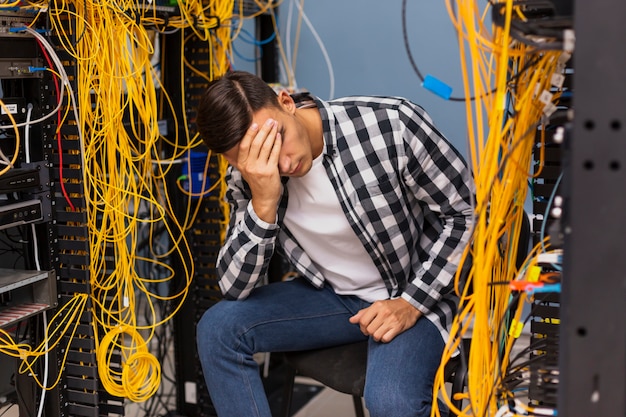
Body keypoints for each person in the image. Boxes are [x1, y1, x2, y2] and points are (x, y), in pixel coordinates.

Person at [195, 70, 474, 417]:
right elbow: (233, 287)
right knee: (217, 329)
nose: (281, 163)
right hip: (334, 299)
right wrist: (263, 202)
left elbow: (467, 214)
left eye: (277, 138)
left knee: (392, 403)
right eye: (257, 158)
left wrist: (410, 303)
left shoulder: (390, 126)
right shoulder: (249, 177)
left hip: (412, 293)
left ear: (287, 101)